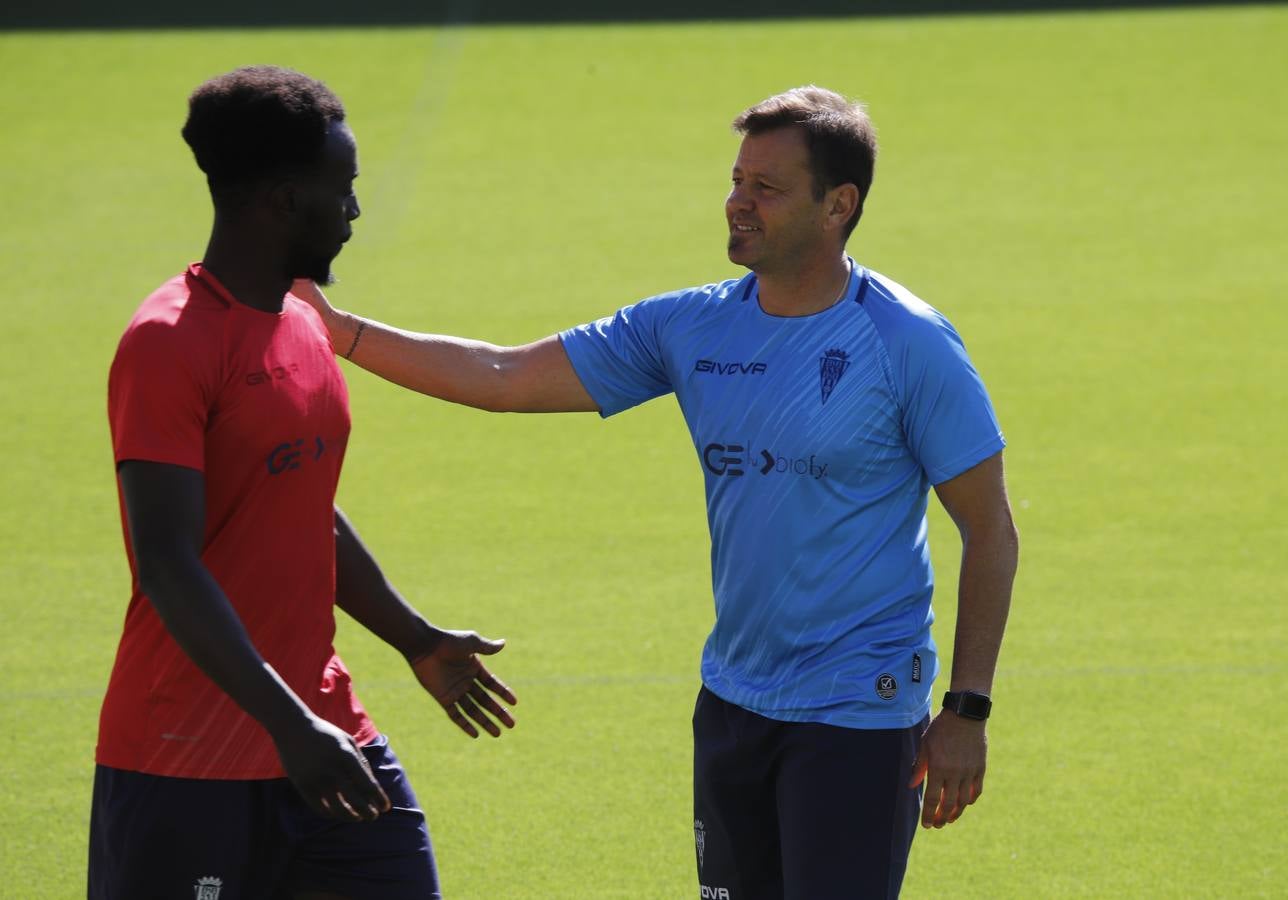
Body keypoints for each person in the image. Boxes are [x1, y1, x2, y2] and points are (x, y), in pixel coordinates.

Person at [296, 85, 1018, 898]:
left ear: (838, 204)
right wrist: (338, 331)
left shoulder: (908, 343)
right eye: (737, 180)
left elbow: (989, 530)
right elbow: (502, 376)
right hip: (734, 702)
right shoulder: (690, 328)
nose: (736, 204)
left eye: (766, 189)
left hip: (857, 713)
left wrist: (967, 708)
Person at [91, 66, 517, 900]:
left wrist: (415, 639)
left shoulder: (300, 323)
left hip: (324, 730)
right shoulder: (166, 343)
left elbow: (303, 505)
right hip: (188, 757)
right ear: (283, 201)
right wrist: (290, 726)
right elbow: (168, 563)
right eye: (343, 188)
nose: (355, 211)